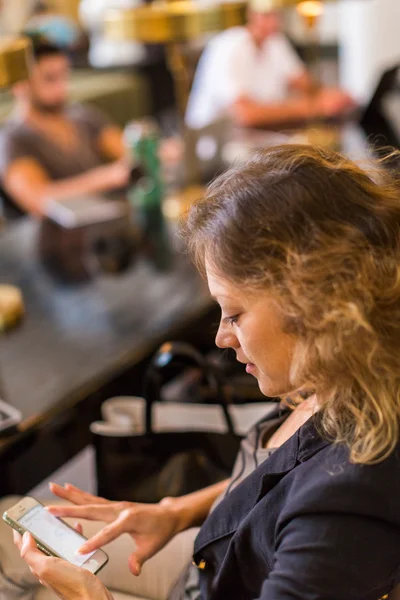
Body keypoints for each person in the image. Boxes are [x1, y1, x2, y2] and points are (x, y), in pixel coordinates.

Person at [5, 144, 400, 600]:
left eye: (234, 313)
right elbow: (277, 484)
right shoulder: (345, 373)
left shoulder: (346, 505)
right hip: (210, 559)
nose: (220, 338)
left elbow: (306, 499)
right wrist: (176, 512)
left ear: (316, 305)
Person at [0, 37, 131, 217]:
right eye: (50, 78)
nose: (62, 87)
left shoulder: (83, 116)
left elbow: (127, 152)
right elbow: (39, 200)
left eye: (64, 75)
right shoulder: (12, 139)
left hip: (106, 219)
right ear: (20, 85)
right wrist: (106, 178)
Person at [185, 4, 355, 129]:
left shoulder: (275, 41)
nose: (274, 22)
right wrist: (313, 107)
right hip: (215, 147)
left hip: (252, 138)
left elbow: (305, 83)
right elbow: (246, 114)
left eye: (277, 14)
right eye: (267, 15)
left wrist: (332, 95)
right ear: (251, 14)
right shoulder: (229, 46)